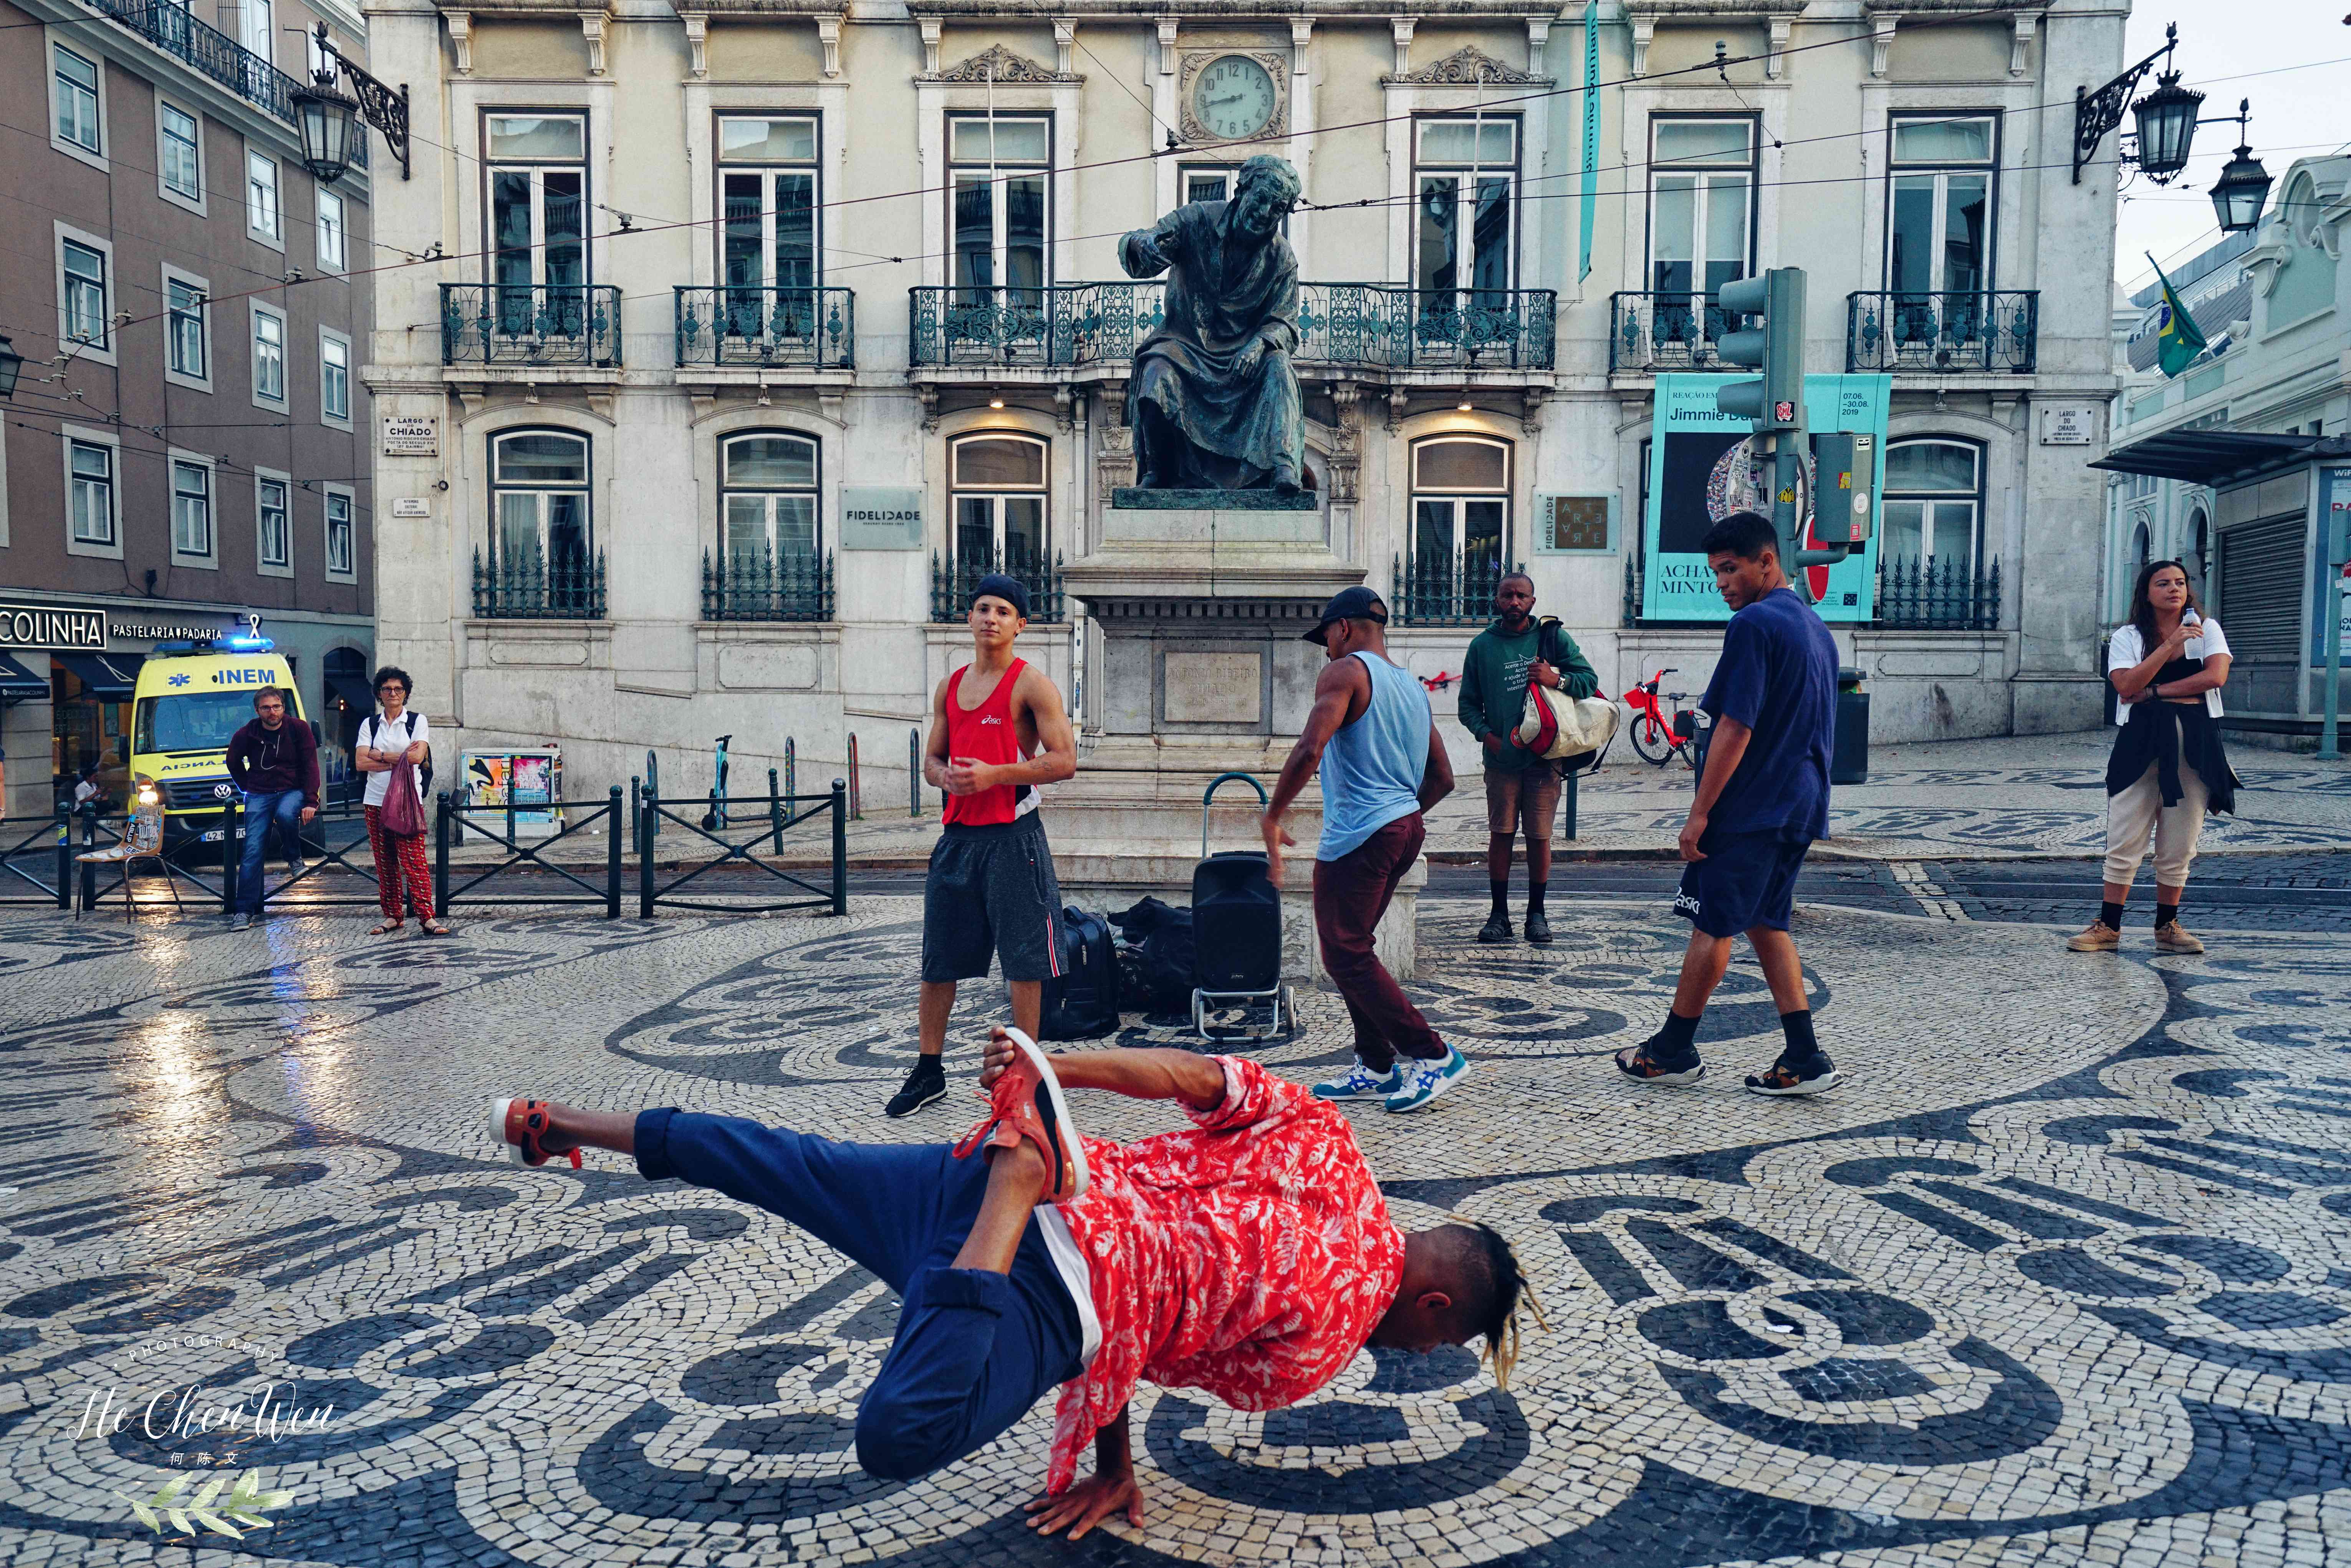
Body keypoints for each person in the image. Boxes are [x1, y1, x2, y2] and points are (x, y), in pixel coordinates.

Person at [492, 1025, 1534, 1540]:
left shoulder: (1333, 1141)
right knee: (900, 1432)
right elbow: (1143, 1343)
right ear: (1435, 1305)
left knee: (784, 1159)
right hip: (1044, 1290)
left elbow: (1193, 1076)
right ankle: (1013, 1190)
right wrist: (1114, 1455)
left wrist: (1056, 1069)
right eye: (1435, 1346)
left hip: (995, 1167)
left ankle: (557, 1125)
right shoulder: (1314, 1352)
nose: (1415, 1356)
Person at [1614, 511, 1842, 1097]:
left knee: (1711, 923)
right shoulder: (1815, 629)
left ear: (1767, 561)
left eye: (1730, 569)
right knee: (1768, 923)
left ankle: (1671, 1049)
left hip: (1752, 805)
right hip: (1799, 802)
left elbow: (1734, 728)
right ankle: (1804, 1055)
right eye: (1716, 573)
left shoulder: (1755, 626)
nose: (1722, 584)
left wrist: (1699, 814)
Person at [1263, 586, 1468, 1113]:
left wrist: (1272, 815)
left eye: (1326, 637)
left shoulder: (1345, 672)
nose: (1325, 649)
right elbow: (1442, 777)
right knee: (1353, 949)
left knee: (1345, 953)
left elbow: (1311, 748)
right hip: (1401, 828)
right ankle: (1376, 1065)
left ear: (1346, 628)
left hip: (1360, 835)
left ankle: (1432, 1055)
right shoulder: (1410, 687)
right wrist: (1401, 816)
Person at [885, 574, 1078, 1118]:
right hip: (957, 841)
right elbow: (932, 760)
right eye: (981, 609)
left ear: (1021, 624)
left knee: (1024, 961)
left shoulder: (1031, 685)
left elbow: (1064, 760)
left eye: (1002, 611)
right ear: (968, 619)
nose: (989, 618)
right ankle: (928, 1070)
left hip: (1015, 841)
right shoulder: (950, 687)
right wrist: (941, 777)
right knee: (938, 961)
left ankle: (1027, 1073)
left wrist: (997, 774)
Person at [2069, 559, 2238, 955]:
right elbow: (2125, 684)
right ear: (2146, 592)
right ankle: (2107, 925)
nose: (2173, 589)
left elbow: (2214, 678)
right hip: (2140, 743)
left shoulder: (2207, 629)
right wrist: (2169, 647)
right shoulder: (2128, 636)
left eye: (2179, 582)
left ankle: (2167, 925)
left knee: (2180, 839)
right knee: (2125, 832)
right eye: (2162, 583)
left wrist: (2154, 692)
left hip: (2194, 745)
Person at [1118, 154, 1307, 493]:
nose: (1265, 213)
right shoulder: (1197, 220)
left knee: (1278, 367)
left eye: (1277, 207)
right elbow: (1145, 243)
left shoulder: (1282, 258)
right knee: (1157, 370)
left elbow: (1286, 323)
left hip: (1244, 359)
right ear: (1242, 192)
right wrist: (1142, 245)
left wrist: (1261, 344)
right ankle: (1158, 471)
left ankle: (1283, 467)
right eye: (1260, 199)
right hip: (1185, 345)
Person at [1456, 571, 1599, 946]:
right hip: (1501, 761)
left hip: (1544, 758)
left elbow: (1588, 680)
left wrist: (1556, 679)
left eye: (1521, 596)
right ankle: (1498, 915)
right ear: (1497, 600)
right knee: (1500, 835)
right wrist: (1489, 737)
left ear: (1532, 602)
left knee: (1539, 838)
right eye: (1507, 595)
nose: (1514, 602)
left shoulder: (1551, 638)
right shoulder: (1482, 646)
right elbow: (1467, 705)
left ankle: (1537, 914)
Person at [353, 666, 450, 937]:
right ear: (379, 694)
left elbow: (417, 758)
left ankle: (426, 917)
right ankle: (393, 916)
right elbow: (361, 762)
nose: (393, 693)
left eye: (398, 689)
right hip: (375, 800)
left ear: (405, 693)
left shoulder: (417, 721)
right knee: (385, 862)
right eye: (387, 689)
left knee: (414, 861)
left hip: (408, 801)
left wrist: (380, 756)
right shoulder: (369, 725)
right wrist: (398, 758)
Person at [224, 686, 321, 932]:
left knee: (286, 814)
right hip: (259, 793)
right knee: (252, 851)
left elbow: (311, 766)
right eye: (266, 708)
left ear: (283, 707)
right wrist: (248, 787)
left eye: (276, 707)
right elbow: (233, 762)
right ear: (258, 710)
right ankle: (243, 911)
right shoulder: (246, 733)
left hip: (292, 790)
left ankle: (293, 856)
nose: (272, 712)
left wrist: (311, 801)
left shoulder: (299, 729)